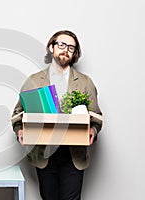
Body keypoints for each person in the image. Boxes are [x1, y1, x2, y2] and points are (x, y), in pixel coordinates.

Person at [11, 30, 103, 200]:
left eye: (71, 47)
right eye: (61, 45)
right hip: (44, 152)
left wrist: (94, 131)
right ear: (51, 48)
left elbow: (96, 116)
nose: (65, 50)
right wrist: (20, 131)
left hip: (73, 154)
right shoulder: (34, 80)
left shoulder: (85, 82)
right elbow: (17, 114)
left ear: (75, 54)